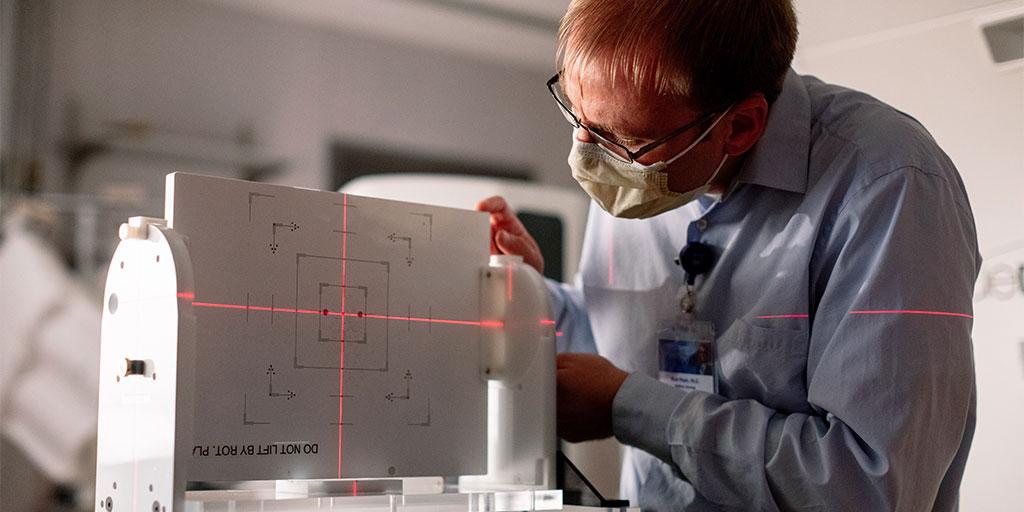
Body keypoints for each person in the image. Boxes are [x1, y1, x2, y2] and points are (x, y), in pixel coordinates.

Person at [477, 0, 980, 510]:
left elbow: (867, 485)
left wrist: (630, 407)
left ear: (739, 126)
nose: (586, 153)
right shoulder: (641, 170)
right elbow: (618, 347)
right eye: (576, 116)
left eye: (622, 141)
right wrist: (528, 299)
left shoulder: (889, 186)